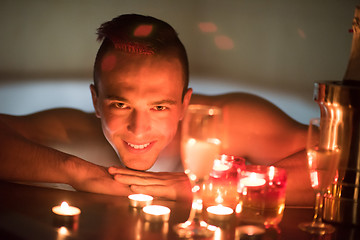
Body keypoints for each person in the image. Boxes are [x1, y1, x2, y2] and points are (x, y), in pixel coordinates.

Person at [0, 14, 313, 205]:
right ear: (96, 102)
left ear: (184, 104)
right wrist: (79, 173)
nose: (139, 128)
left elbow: (336, 164)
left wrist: (215, 186)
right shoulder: (74, 129)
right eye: (121, 104)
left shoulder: (229, 122)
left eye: (159, 106)